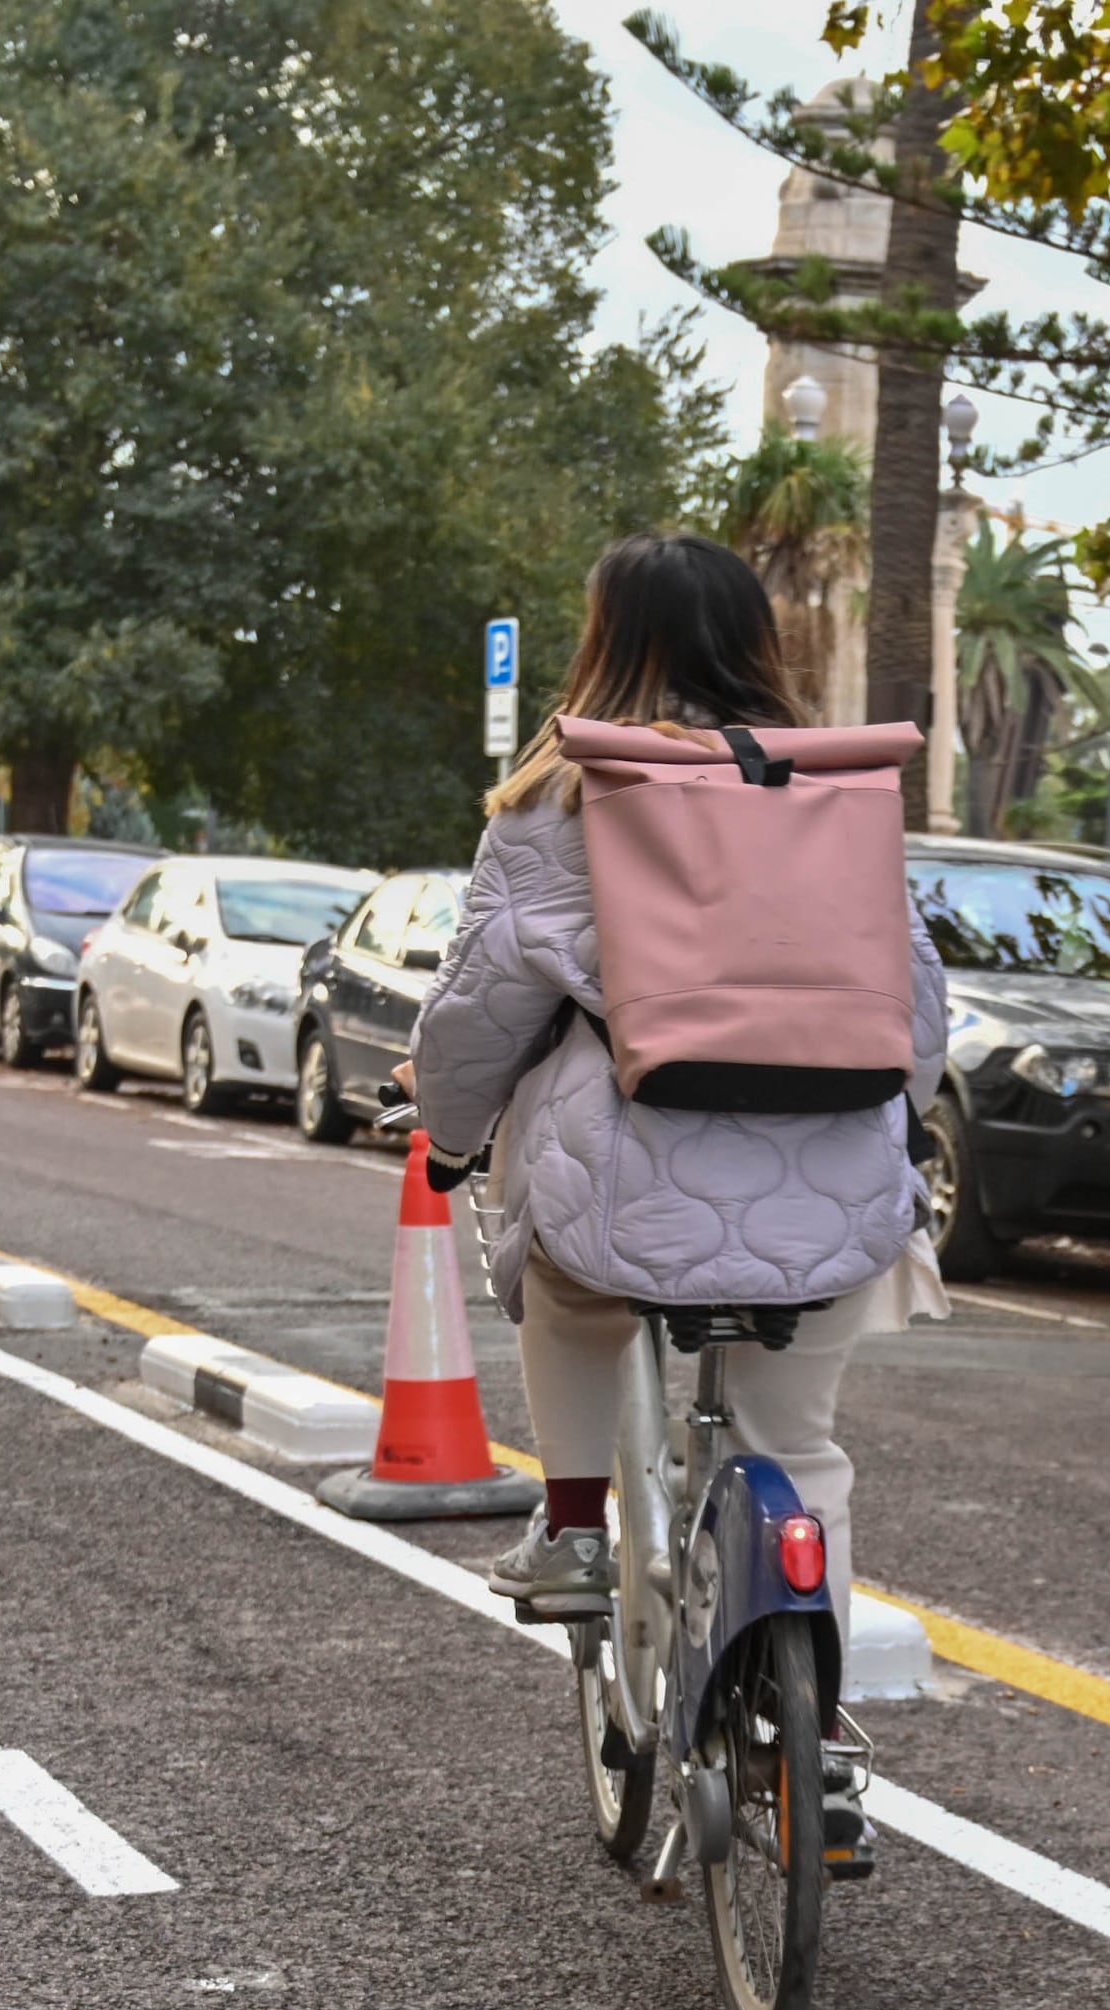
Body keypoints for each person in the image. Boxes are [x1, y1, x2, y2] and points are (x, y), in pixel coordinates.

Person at [405, 530, 943, 1718]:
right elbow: (917, 999)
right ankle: (810, 1751)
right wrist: (902, 1132)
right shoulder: (838, 788)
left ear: (604, 642)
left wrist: (449, 1135)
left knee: (570, 1293)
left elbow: (482, 1014)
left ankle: (570, 1531)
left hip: (625, 1182)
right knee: (799, 1449)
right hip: (833, 1178)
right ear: (758, 641)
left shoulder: (558, 796)